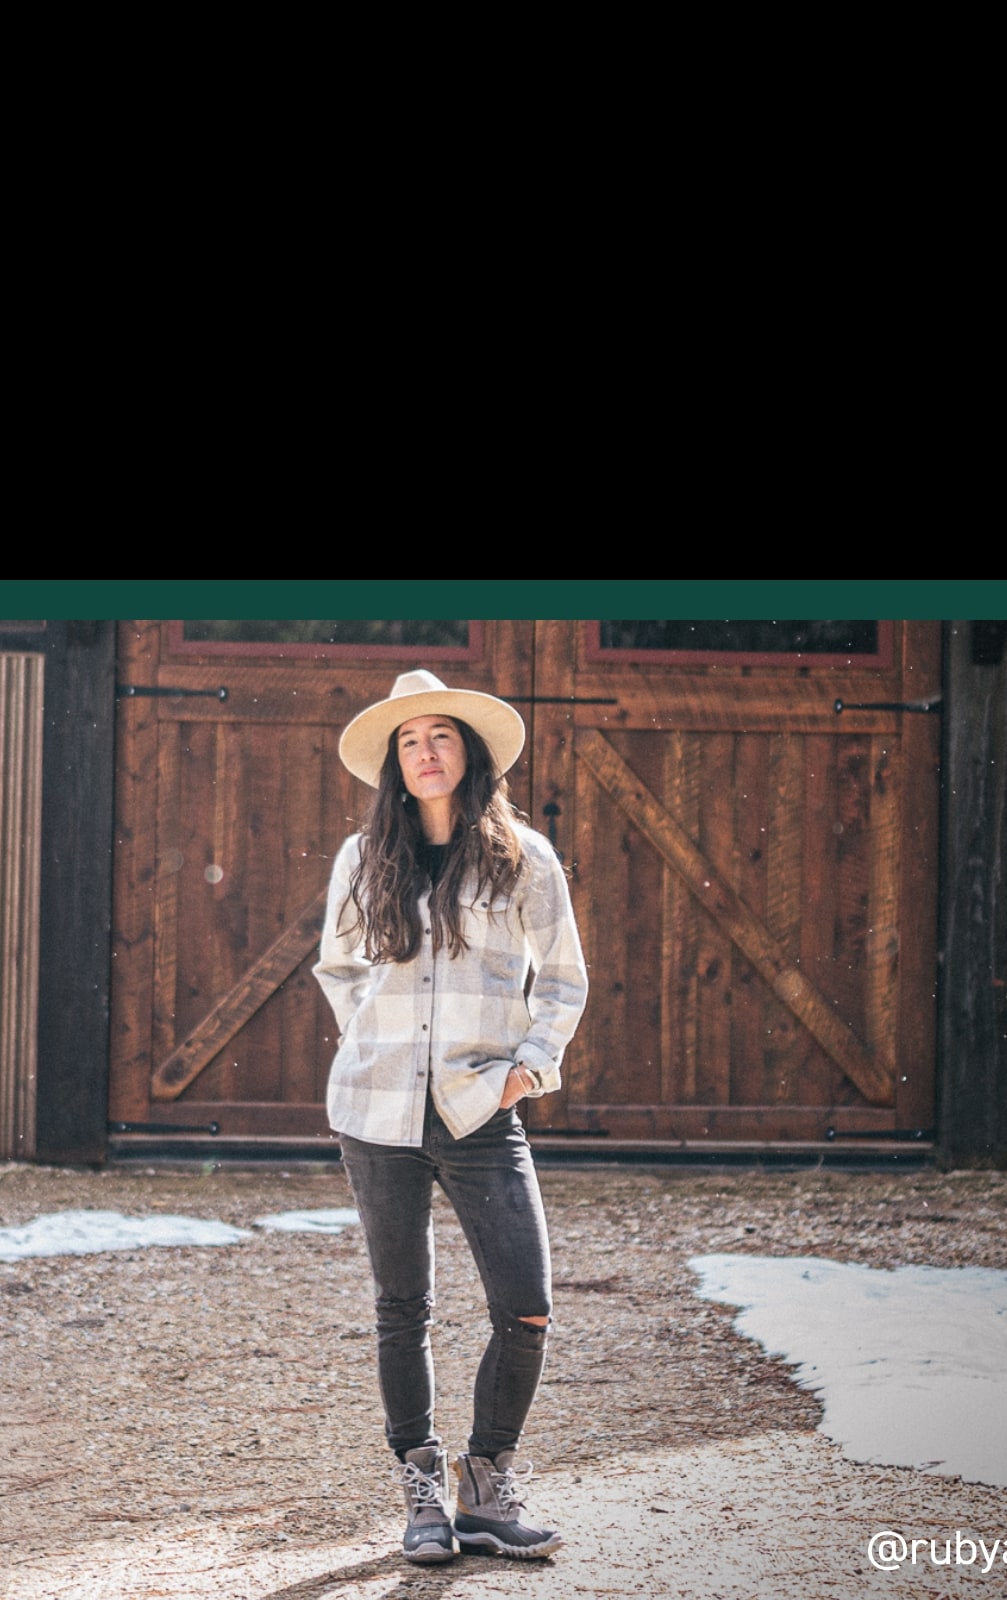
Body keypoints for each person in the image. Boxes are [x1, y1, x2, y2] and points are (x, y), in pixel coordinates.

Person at [314, 668, 589, 1563]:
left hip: (480, 1112)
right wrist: (372, 1043)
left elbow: (563, 979)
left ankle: (487, 1481)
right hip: (376, 1112)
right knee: (404, 1307)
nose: (425, 752)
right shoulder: (364, 860)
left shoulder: (525, 856)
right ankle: (423, 1491)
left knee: (527, 1305)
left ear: (468, 753)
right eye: (408, 740)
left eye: (440, 736)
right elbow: (339, 969)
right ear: (395, 763)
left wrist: (528, 1070)